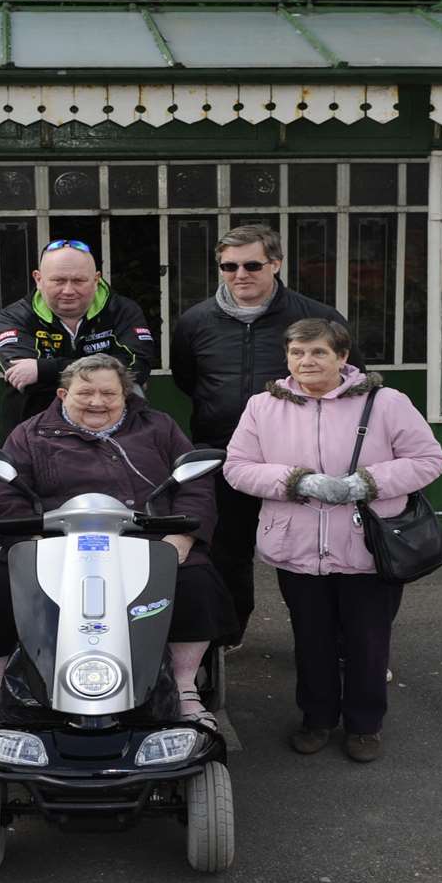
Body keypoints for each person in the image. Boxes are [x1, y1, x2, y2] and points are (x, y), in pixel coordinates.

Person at [223, 318, 442, 762]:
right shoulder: (262, 407)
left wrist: (366, 483)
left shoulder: (387, 403)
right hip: (298, 548)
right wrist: (297, 481)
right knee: (311, 638)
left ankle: (365, 725)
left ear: (342, 358)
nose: (307, 361)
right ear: (287, 357)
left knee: (367, 639)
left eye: (319, 352)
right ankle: (317, 718)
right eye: (297, 353)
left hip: (367, 546)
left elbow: (429, 459)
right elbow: (237, 467)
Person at [0, 353, 235, 728]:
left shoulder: (158, 427)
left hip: (147, 538)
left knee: (196, 583)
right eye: (86, 393)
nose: (98, 402)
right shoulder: (30, 434)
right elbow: (0, 491)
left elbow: (194, 481)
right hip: (51, 540)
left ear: (126, 396)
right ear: (63, 394)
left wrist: (182, 536)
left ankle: (183, 686)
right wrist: (26, 538)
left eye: (109, 394)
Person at [170, 224, 350, 646]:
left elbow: (346, 379)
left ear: (276, 263)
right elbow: (187, 379)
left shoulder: (316, 319)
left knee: (312, 553)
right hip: (223, 456)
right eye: (228, 267)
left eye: (252, 264)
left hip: (302, 460)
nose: (240, 275)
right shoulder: (195, 322)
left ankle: (329, 641)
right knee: (226, 551)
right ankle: (228, 637)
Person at [0, 238, 156, 437]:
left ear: (96, 280)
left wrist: (44, 369)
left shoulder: (122, 310)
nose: (68, 291)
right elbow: (22, 378)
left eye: (78, 281)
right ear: (38, 279)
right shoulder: (14, 316)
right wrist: (110, 374)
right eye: (58, 281)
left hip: (115, 434)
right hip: (34, 433)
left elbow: (137, 368)